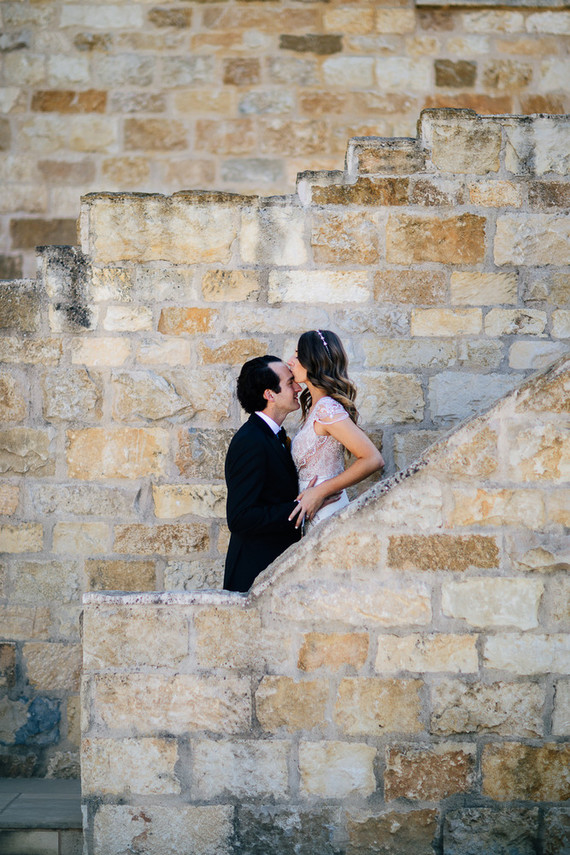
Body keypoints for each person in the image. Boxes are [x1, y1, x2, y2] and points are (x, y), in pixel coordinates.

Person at [287, 329, 384, 530]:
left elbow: (372, 459)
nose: (290, 361)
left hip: (326, 510)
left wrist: (320, 491)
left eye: (297, 355)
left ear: (312, 360)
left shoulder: (327, 409)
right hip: (313, 511)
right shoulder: (315, 407)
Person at [223, 355, 304, 593]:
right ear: (270, 395)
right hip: (255, 576)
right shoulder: (250, 441)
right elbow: (240, 517)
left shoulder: (272, 437)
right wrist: (300, 508)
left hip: (275, 571)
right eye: (290, 383)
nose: (298, 387)